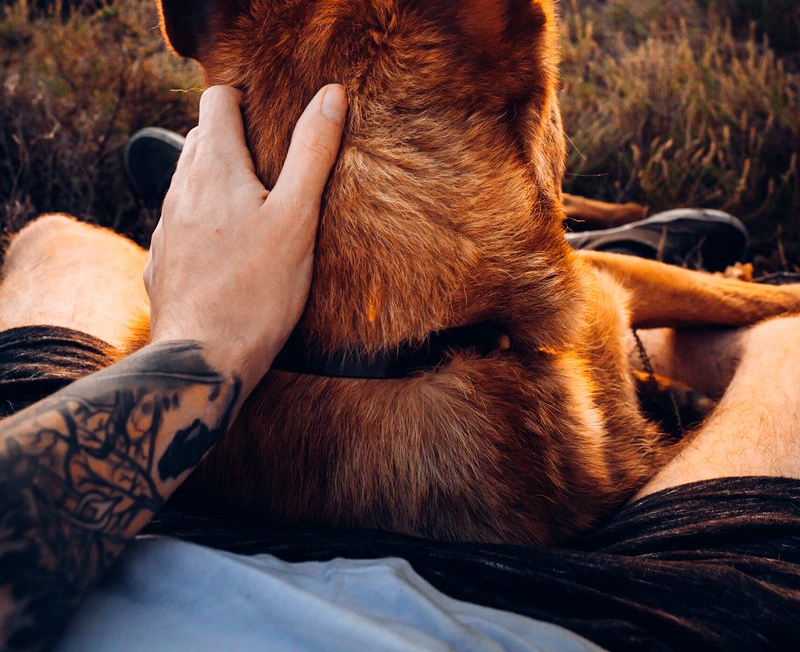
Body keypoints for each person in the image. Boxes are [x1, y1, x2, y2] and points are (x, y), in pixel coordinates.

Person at [0, 87, 798, 652]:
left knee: (59, 243)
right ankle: (567, 277)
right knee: (787, 346)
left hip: (124, 529)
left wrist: (202, 338)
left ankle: (313, 246)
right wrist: (204, 347)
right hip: (546, 611)